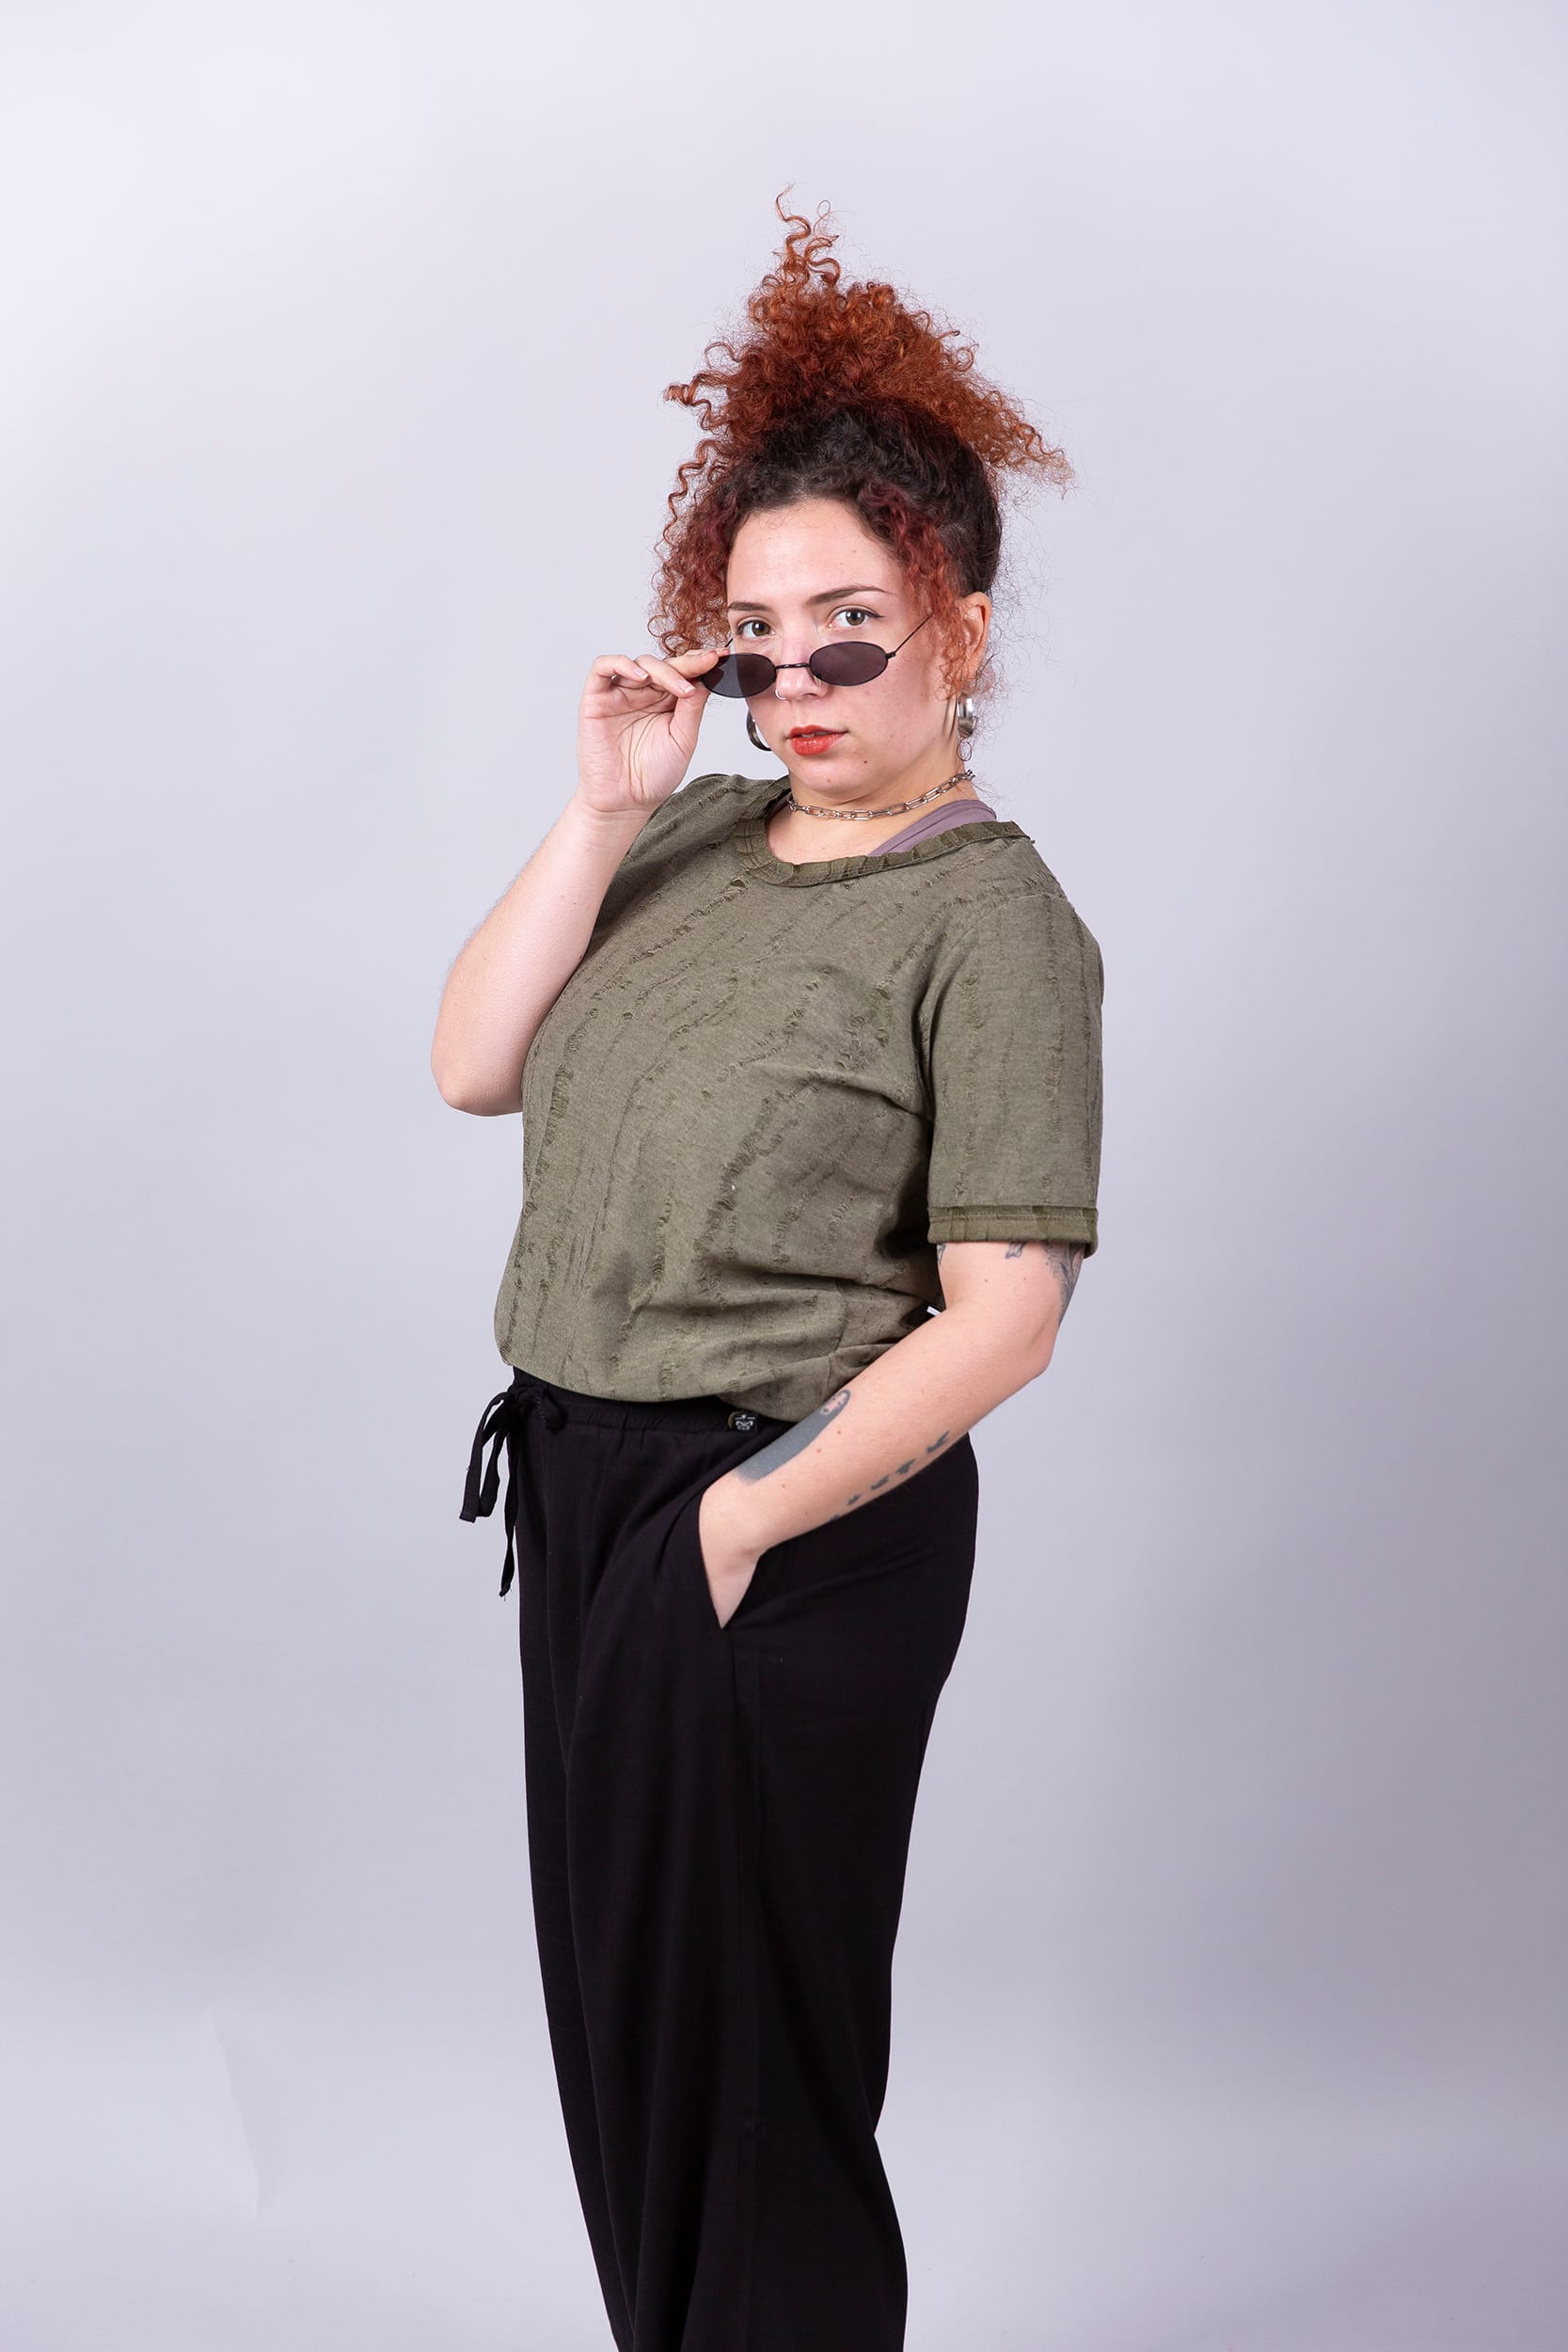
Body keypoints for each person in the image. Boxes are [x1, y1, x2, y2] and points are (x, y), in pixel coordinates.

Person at [432, 200, 1104, 2352]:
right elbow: (472, 1061)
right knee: (637, 2063)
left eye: (849, 631)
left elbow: (1009, 1310)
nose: (793, 683)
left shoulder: (991, 920)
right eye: (751, 636)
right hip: (589, 1488)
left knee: (752, 2090)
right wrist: (603, 803)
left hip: (777, 1511)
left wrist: (733, 1526)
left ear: (959, 631)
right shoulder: (696, 835)